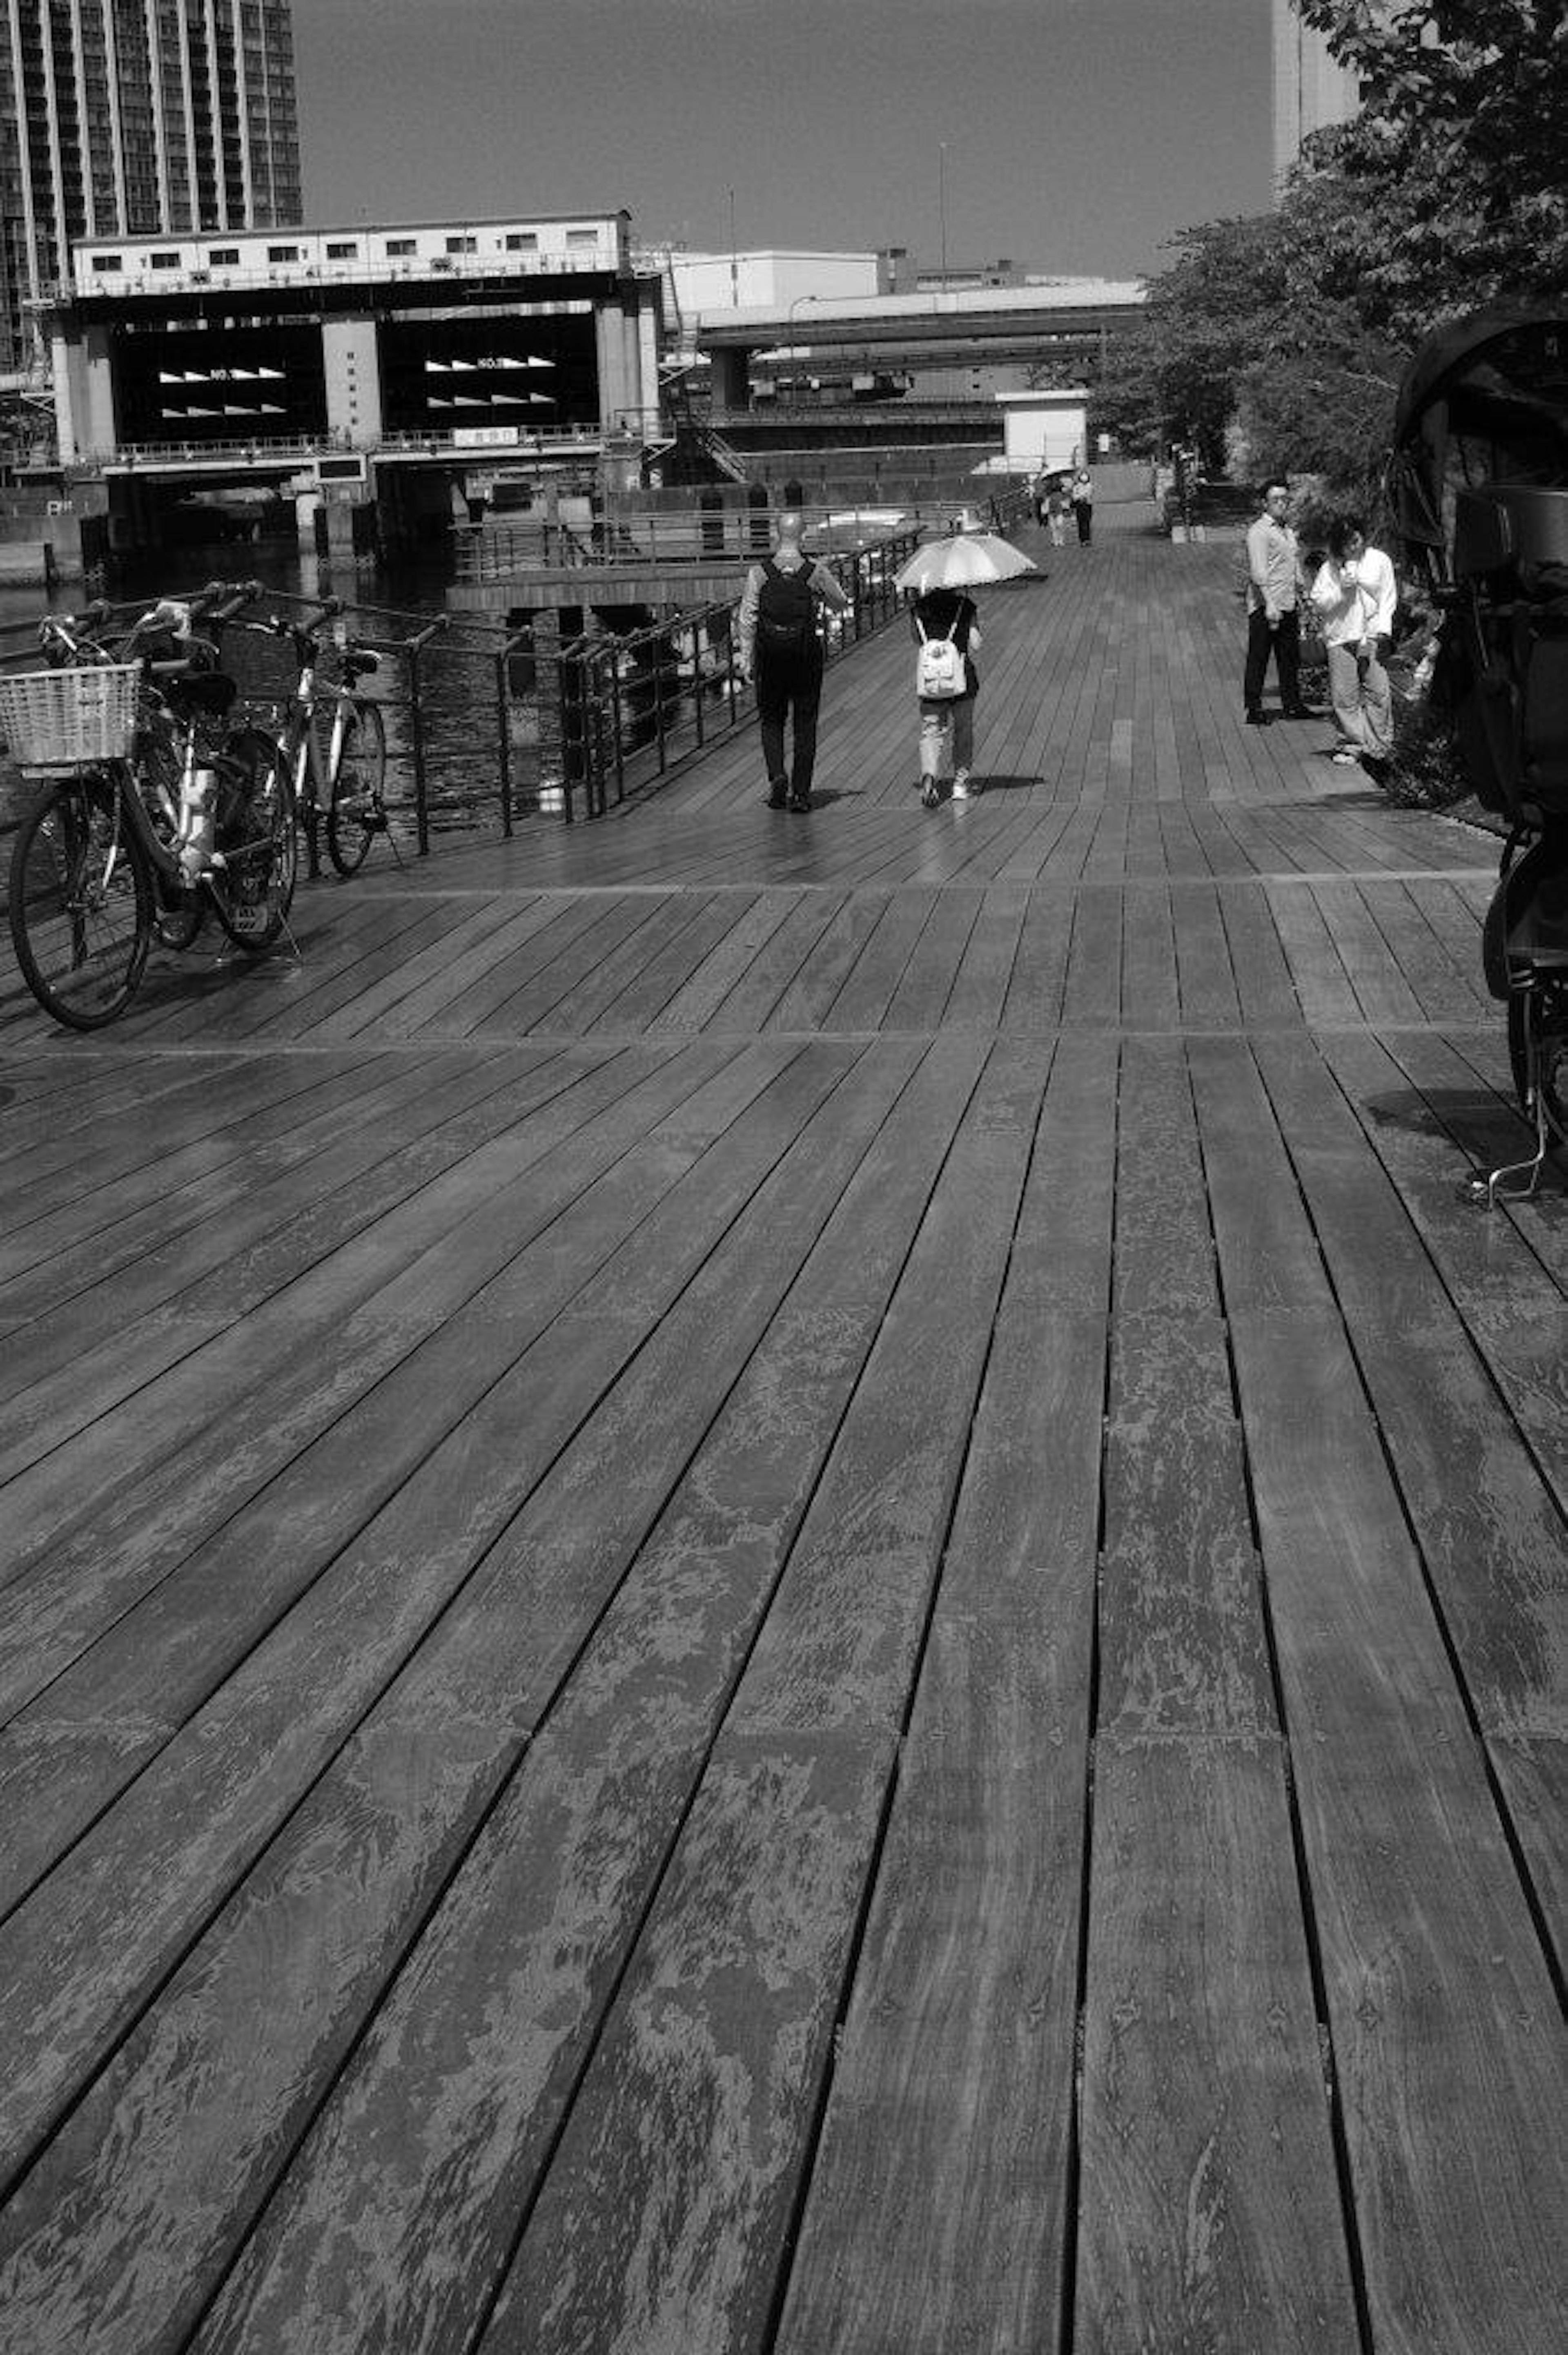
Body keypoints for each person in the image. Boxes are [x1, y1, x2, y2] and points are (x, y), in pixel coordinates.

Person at [736, 513, 850, 810]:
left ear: (777, 534)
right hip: (805, 654)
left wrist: (746, 658)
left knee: (772, 720)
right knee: (805, 723)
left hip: (770, 655)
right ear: (803, 535)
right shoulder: (815, 571)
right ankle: (801, 794)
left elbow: (747, 618)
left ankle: (777, 774)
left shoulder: (759, 573)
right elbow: (841, 601)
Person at [1308, 515, 1399, 774]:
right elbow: (1320, 603)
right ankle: (1356, 744)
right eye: (1347, 544)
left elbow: (1388, 598)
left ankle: (1380, 744)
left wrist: (1381, 632)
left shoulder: (1379, 561)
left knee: (1378, 691)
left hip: (1369, 635)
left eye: (1357, 541)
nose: (1354, 548)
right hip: (1341, 637)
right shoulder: (1330, 569)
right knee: (1344, 697)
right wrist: (1342, 591)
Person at [1243, 479, 1311, 725]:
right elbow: (1259, 571)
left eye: (1285, 499)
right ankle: (1254, 707)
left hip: (1288, 601)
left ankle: (1292, 703)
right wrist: (1269, 604)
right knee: (1259, 657)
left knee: (1289, 657)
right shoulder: (1259, 532)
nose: (1282, 504)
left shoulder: (1287, 530)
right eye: (1276, 500)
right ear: (1265, 503)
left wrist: (1302, 591)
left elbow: (1293, 563)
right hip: (1266, 605)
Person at [910, 582, 982, 807]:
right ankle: (960, 784)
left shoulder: (918, 608)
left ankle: (930, 776)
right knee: (963, 730)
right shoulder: (965, 605)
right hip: (961, 678)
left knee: (931, 732)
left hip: (932, 681)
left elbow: (917, 640)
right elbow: (976, 644)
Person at [1069, 465, 1095, 544]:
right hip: (1080, 505)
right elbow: (1074, 497)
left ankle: (1088, 539)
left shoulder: (1090, 486)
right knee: (1081, 522)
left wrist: (1081, 495)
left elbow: (1089, 494)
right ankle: (1082, 540)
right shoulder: (1076, 487)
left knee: (1087, 522)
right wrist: (1081, 496)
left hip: (1087, 505)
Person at [1045, 474, 1070, 549]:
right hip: (1052, 509)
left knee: (1059, 525)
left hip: (1058, 509)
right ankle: (1056, 540)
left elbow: (1066, 495)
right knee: (1054, 527)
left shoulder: (1060, 487)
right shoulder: (1049, 486)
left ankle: (1060, 540)